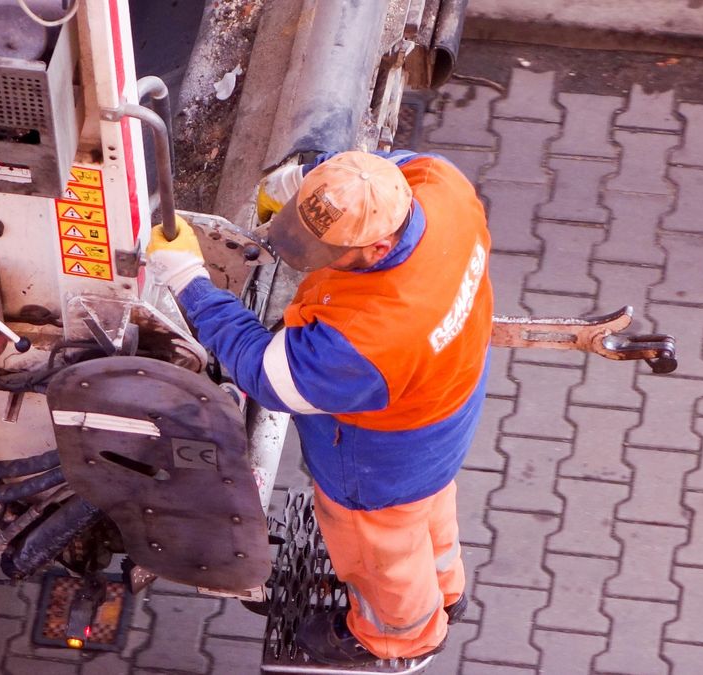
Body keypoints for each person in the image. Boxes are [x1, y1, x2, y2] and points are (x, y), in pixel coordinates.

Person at [144, 149, 493, 665]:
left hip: (378, 457)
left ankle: (399, 636)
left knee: (379, 553)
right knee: (427, 510)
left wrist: (188, 281)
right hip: (448, 400)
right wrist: (307, 182)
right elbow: (376, 170)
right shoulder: (440, 185)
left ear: (377, 248)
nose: (307, 253)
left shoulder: (371, 336)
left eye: (327, 250)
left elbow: (265, 372)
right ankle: (445, 591)